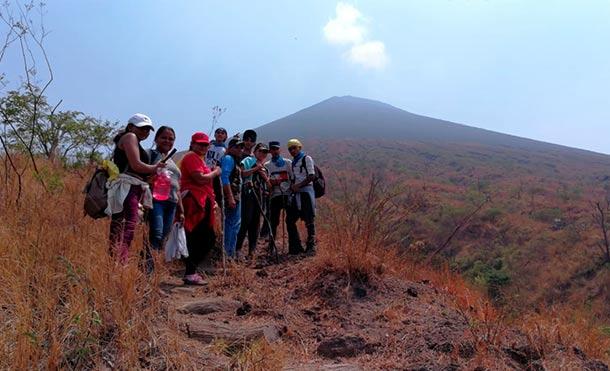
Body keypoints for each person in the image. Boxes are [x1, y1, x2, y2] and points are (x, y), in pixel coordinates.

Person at [108, 113, 165, 265]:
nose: (144, 132)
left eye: (147, 130)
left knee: (120, 228)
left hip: (132, 188)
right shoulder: (130, 137)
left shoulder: (131, 139)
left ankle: (114, 264)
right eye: (142, 128)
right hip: (128, 188)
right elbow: (136, 165)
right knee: (127, 228)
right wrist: (155, 168)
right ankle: (119, 265)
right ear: (131, 126)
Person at [179, 132, 221, 285]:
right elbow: (199, 178)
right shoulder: (191, 157)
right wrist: (216, 172)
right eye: (200, 144)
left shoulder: (198, 159)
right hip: (195, 201)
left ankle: (191, 270)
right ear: (193, 144)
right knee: (199, 237)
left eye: (205, 144)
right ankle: (190, 272)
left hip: (202, 201)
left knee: (205, 237)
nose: (203, 147)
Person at [147, 126, 184, 267]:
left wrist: (181, 211)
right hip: (156, 201)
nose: (167, 141)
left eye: (171, 139)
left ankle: (152, 269)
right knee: (156, 234)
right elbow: (144, 177)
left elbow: (177, 187)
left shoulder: (172, 162)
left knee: (162, 237)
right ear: (156, 139)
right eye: (164, 137)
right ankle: (147, 270)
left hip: (172, 203)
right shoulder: (150, 155)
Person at [236, 142, 271, 259]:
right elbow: (241, 173)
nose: (262, 153)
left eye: (265, 152)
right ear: (255, 151)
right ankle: (237, 249)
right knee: (245, 221)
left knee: (256, 223)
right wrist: (256, 168)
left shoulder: (265, 167)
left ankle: (252, 251)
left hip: (260, 196)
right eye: (260, 151)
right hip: (248, 194)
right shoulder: (248, 160)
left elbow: (267, 183)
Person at [286, 138, 316, 254]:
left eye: (294, 148)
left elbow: (311, 175)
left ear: (299, 147)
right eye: (290, 149)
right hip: (296, 193)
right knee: (290, 220)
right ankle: (296, 247)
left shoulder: (306, 158)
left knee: (309, 219)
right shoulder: (293, 162)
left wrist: (299, 185)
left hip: (306, 192)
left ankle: (311, 247)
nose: (292, 151)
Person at [264, 141, 293, 254]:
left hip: (287, 195)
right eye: (272, 149)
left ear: (279, 150)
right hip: (274, 196)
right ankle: (271, 247)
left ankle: (293, 246)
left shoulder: (287, 163)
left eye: (276, 149)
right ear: (270, 151)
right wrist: (271, 183)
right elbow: (266, 182)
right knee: (273, 222)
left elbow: (292, 177)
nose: (275, 151)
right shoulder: (267, 165)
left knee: (290, 221)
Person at [220, 137, 244, 258]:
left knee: (235, 224)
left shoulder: (235, 160)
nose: (240, 149)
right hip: (231, 197)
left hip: (236, 196)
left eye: (241, 147)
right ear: (230, 148)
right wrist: (230, 197)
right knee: (231, 224)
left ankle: (230, 253)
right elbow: (224, 178)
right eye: (237, 147)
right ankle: (227, 254)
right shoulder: (229, 158)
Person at [206, 127, 228, 207]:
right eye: (218, 132)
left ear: (225, 136)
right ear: (215, 134)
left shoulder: (225, 150)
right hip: (205, 173)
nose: (220, 134)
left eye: (222, 133)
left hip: (215, 176)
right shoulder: (208, 146)